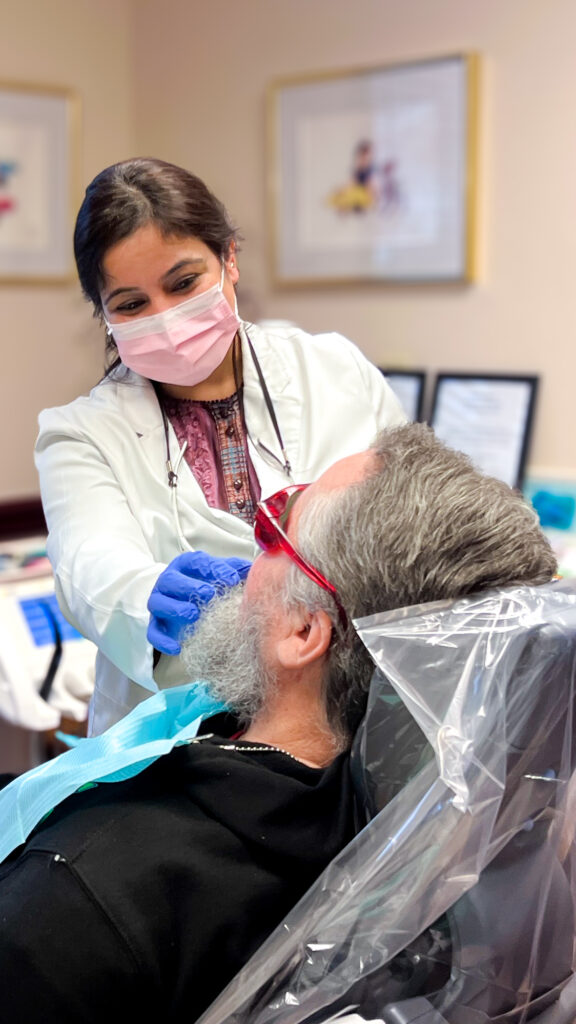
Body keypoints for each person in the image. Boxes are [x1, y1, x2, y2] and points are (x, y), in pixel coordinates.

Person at [0, 424, 556, 1023]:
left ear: (304, 631)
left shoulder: (77, 893)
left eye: (271, 528)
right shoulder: (464, 842)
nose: (247, 555)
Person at [34, 157, 407, 735]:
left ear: (229, 259)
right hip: (180, 736)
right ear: (104, 315)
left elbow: (412, 510)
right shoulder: (79, 433)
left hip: (351, 714)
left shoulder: (335, 370)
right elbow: (91, 566)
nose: (165, 319)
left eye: (184, 283)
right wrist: (149, 596)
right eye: (131, 304)